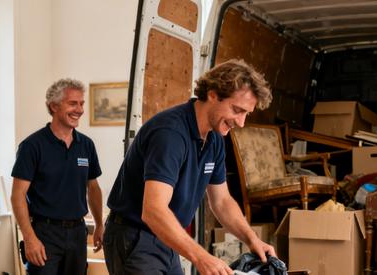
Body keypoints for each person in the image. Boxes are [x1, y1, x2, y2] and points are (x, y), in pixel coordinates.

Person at [103, 59, 275, 275]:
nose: (240, 123)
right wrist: (201, 257)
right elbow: (153, 210)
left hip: (167, 238)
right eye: (237, 110)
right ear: (212, 94)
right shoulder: (170, 134)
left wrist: (252, 240)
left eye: (246, 114)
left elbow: (222, 201)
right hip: (136, 237)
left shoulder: (215, 140)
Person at [11, 78, 104, 275]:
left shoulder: (86, 145)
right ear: (53, 106)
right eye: (72, 103)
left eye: (81, 103)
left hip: (78, 232)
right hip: (45, 233)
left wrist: (99, 224)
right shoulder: (32, 146)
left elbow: (93, 187)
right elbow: (17, 195)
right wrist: (29, 238)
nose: (79, 109)